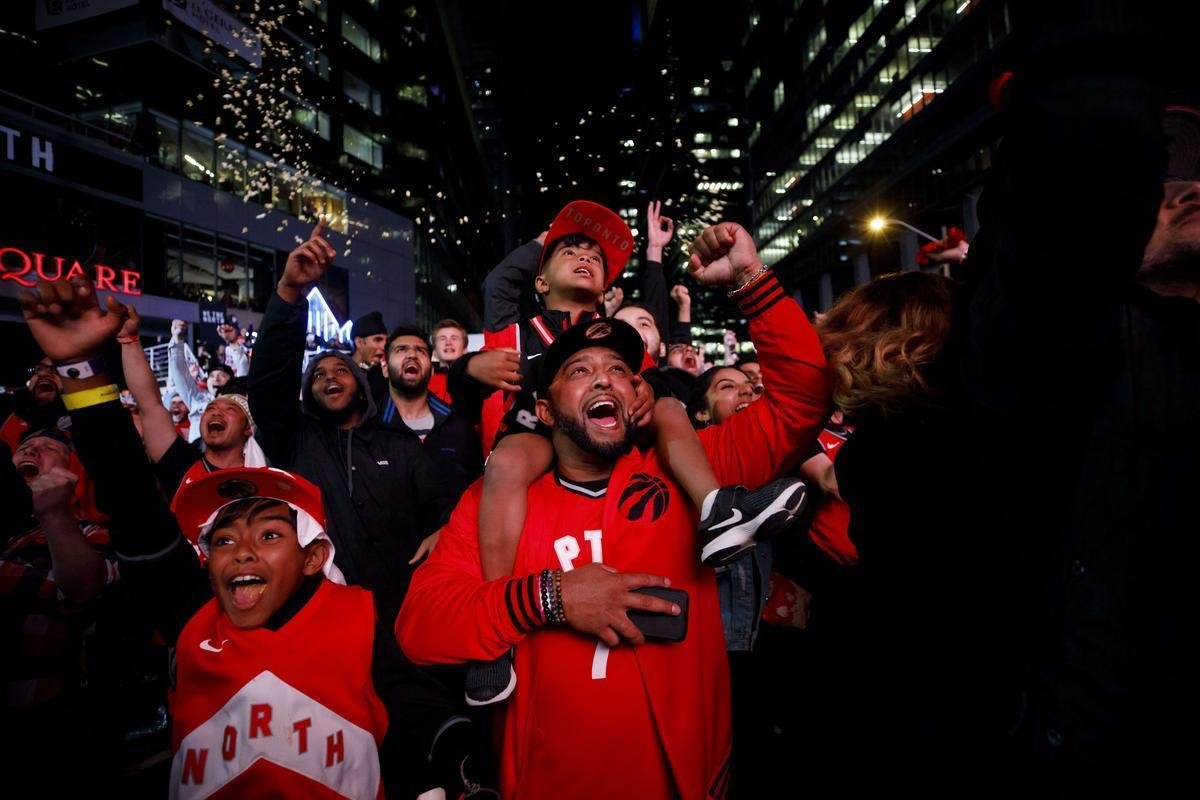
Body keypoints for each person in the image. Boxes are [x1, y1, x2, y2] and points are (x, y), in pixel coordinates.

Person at [398, 230, 830, 796]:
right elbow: (420, 625)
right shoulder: (495, 501)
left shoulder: (694, 466)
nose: (604, 377)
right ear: (545, 410)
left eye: (621, 370)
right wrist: (549, 597)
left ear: (639, 395)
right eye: (579, 370)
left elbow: (803, 399)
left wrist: (751, 280)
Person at [960, 2, 1200, 790]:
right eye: (1163, 186)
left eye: (1197, 176)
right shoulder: (1064, 356)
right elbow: (1081, 173)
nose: (1185, 194)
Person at [450, 203, 806, 705]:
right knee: (507, 460)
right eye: (570, 252)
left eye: (595, 257)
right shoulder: (517, 331)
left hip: (607, 447)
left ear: (606, 291)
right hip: (536, 438)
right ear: (541, 282)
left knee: (667, 406)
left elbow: (654, 361)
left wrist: (647, 389)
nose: (584, 256)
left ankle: (719, 510)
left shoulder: (614, 334)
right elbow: (499, 285)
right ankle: (496, 628)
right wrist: (468, 368)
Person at [250, 218, 481, 798]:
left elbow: (451, 503)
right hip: (323, 619)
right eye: (319, 375)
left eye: (341, 370)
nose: (330, 376)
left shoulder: (400, 446)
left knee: (418, 722)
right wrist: (289, 294)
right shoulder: (295, 442)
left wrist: (444, 531)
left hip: (404, 617)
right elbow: (270, 379)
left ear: (361, 384)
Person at [119, 307, 266, 497]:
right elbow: (148, 402)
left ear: (248, 428)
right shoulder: (183, 465)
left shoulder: (266, 480)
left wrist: (234, 344)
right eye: (210, 408)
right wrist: (129, 340)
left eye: (230, 409)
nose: (216, 412)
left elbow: (245, 379)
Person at [378, 323, 482, 520]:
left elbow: (476, 494)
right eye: (401, 350)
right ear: (385, 369)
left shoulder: (460, 428)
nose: (412, 355)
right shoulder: (367, 429)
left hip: (452, 537)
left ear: (432, 371)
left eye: (421, 351)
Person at [169, 319, 234, 444]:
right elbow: (179, 373)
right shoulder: (196, 398)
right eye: (212, 376)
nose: (216, 379)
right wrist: (177, 341)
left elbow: (243, 368)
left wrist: (233, 342)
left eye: (221, 375)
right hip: (198, 454)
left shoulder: (238, 402)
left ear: (232, 381)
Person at [0, 358, 70, 450]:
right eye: (38, 370)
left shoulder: (82, 420)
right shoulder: (5, 412)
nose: (43, 374)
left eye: (56, 370)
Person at [351, 311, 389, 405]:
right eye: (378, 339)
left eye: (386, 341)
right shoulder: (340, 373)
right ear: (359, 342)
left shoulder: (385, 378)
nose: (384, 346)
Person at [428, 318, 469, 403]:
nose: (448, 343)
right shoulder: (423, 384)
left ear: (465, 349)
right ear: (434, 352)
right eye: (442, 339)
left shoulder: (478, 383)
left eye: (454, 338)